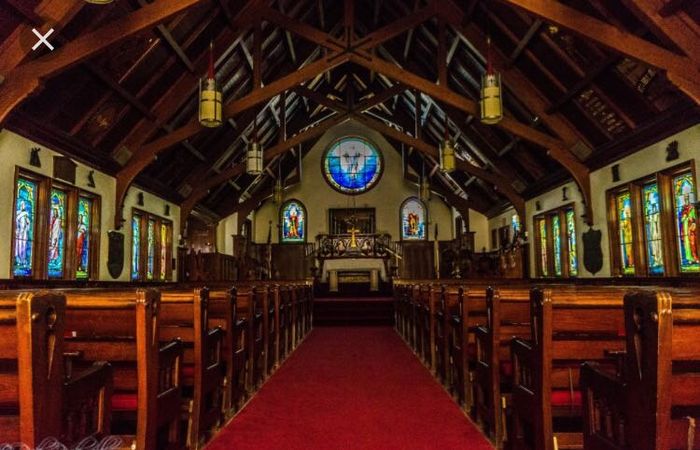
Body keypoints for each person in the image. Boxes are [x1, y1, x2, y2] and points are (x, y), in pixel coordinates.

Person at [14, 200, 31, 268]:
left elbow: (28, 223)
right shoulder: (18, 213)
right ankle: (18, 260)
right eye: (21, 205)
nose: (22, 206)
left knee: (23, 245)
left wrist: (27, 226)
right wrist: (17, 229)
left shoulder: (25, 214)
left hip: (24, 233)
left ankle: (23, 259)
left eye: (23, 205)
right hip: (19, 232)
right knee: (18, 245)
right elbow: (16, 222)